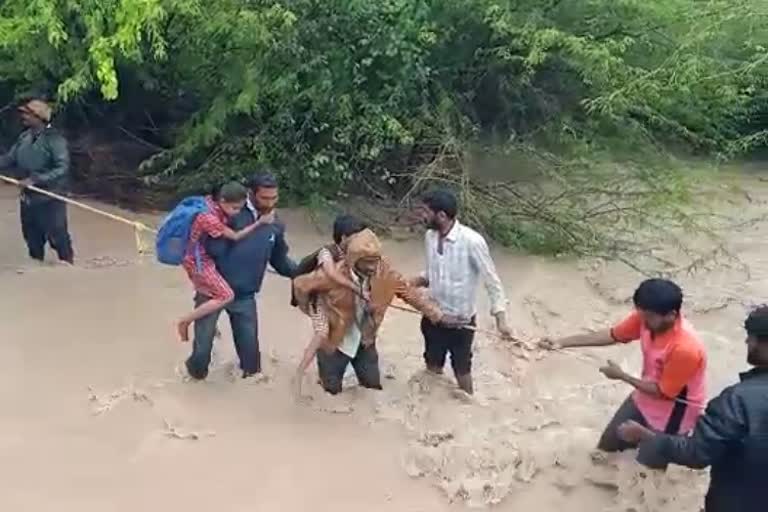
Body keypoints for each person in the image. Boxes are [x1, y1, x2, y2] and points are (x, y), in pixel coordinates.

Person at [618, 306, 768, 512]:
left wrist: (645, 435)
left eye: (751, 337)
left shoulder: (738, 399)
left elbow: (696, 453)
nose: (747, 342)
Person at [541, 278, 707, 452]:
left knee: (651, 462)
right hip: (644, 396)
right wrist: (561, 342)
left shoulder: (685, 349)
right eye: (640, 314)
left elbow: (663, 392)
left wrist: (621, 376)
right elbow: (613, 335)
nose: (643, 321)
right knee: (607, 446)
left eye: (648, 317)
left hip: (674, 412)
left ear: (671, 315)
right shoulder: (646, 319)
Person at [293, 228, 452, 396]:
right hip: (335, 343)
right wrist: (314, 312)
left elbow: (410, 294)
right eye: (367, 262)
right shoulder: (333, 276)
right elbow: (300, 285)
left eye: (375, 261)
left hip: (365, 340)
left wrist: (437, 315)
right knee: (330, 393)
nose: (372, 267)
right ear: (353, 260)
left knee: (372, 389)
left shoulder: (387, 274)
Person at [184, 184, 296, 379]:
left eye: (274, 198)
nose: (270, 203)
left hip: (245, 295)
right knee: (201, 356)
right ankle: (191, 383)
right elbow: (212, 248)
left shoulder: (275, 224)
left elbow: (280, 261)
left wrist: (303, 271)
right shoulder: (231, 214)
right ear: (252, 194)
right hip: (213, 291)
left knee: (251, 363)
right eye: (264, 198)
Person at [411, 189, 513, 395]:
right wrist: (408, 283)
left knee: (462, 372)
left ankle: (470, 409)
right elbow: (432, 273)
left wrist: (501, 322)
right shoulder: (429, 237)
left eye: (425, 212)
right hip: (433, 316)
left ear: (441, 215)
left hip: (461, 323)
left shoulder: (472, 242)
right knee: (432, 368)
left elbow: (492, 282)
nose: (422, 216)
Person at [176, 182, 273, 342]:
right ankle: (185, 321)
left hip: (194, 256)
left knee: (209, 293)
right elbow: (235, 236)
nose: (236, 213)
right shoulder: (208, 218)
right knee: (226, 296)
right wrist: (259, 223)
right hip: (199, 261)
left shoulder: (209, 202)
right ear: (222, 200)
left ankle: (209, 325)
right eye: (234, 208)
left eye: (240, 209)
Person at [292, 214, 370, 396]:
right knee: (322, 333)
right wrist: (356, 289)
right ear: (343, 237)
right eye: (356, 237)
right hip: (318, 299)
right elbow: (331, 274)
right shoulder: (326, 253)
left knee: (338, 336)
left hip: (342, 307)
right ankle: (300, 372)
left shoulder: (357, 255)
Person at [0, 96, 74, 264]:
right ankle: (37, 271)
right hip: (28, 199)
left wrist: (36, 179)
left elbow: (62, 168)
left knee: (58, 236)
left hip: (51, 198)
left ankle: (69, 267)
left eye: (27, 114)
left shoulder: (55, 140)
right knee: (32, 240)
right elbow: (9, 159)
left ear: (38, 117)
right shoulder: (24, 137)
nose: (23, 117)